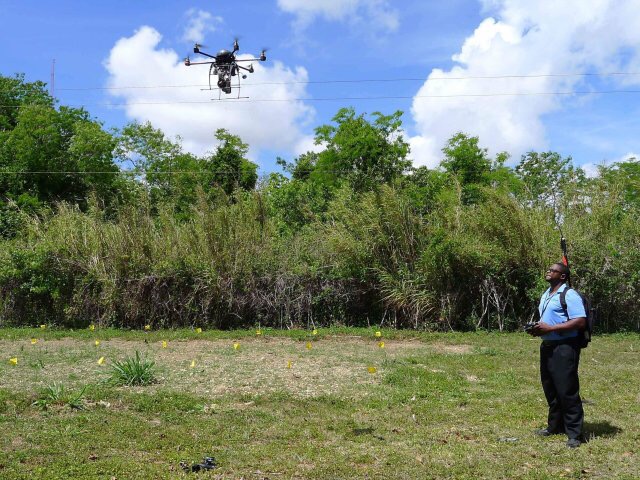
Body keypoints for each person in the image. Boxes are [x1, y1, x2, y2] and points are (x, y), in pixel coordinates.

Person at [528, 262, 586, 448]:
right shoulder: (547, 294)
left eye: (553, 270)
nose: (548, 271)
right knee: (550, 388)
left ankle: (574, 434)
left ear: (562, 276)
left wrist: (552, 328)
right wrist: (538, 328)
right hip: (548, 346)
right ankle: (555, 426)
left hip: (565, 347)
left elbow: (580, 321)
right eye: (548, 269)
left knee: (566, 389)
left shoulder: (569, 295)